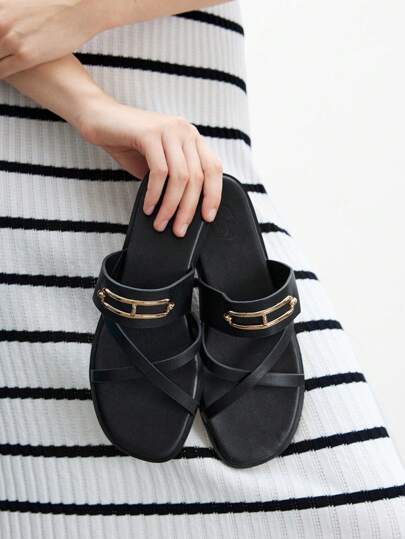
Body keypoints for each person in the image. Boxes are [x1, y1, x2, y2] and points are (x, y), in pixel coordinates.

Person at [0, 1, 404, 537]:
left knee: (360, 510)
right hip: (24, 209)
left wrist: (90, 9)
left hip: (205, 182)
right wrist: (90, 108)